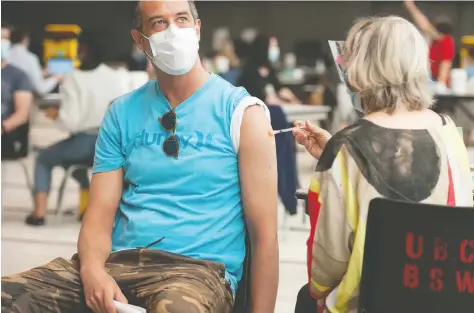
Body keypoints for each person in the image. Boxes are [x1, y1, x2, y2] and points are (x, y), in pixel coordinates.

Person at [2, 1, 279, 313]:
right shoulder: (122, 113)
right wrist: (93, 271)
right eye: (159, 23)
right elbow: (99, 214)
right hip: (118, 264)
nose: (173, 31)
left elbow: (265, 237)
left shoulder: (243, 114)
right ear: (139, 40)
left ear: (197, 28)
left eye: (182, 19)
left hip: (197, 274)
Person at [292, 16, 473, 313]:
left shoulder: (347, 147)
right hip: (444, 300)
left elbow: (327, 264)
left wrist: (337, 156)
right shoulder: (448, 131)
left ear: (360, 67)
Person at [25, 30, 126, 226]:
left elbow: (72, 122)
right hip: (110, 146)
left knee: (44, 159)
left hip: (83, 142)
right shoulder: (114, 77)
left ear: (84, 50)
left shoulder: (73, 78)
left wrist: (56, 116)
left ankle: (39, 213)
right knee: (73, 162)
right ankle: (87, 207)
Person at [404, 0, 455, 89]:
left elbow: (445, 65)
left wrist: (440, 84)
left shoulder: (447, 42)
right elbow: (424, 25)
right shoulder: (435, 39)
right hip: (430, 79)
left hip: (439, 83)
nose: (429, 31)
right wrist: (411, 6)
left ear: (440, 33)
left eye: (433, 29)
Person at [1, 23, 34, 160]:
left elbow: (22, 114)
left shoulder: (18, 76)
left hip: (5, 136)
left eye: (4, 38)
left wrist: (2, 128)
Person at [238, 34, 301, 104]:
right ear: (263, 47)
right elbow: (260, 96)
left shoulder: (269, 68)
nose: (275, 49)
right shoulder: (249, 70)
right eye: (272, 46)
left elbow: (279, 87)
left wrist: (293, 100)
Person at [8, 26, 63, 96]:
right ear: (25, 40)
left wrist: (41, 73)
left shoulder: (5, 57)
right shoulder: (30, 58)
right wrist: (56, 78)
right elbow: (41, 89)